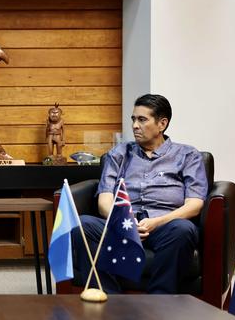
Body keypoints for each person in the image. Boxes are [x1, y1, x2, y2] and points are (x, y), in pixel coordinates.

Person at [73, 94, 208, 294]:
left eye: (142, 120)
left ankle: (159, 300)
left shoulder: (187, 156)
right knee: (83, 225)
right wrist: (124, 223)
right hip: (122, 224)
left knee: (183, 229)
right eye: (133, 119)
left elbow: (195, 204)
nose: (135, 125)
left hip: (165, 226)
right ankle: (110, 300)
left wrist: (157, 222)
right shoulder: (119, 154)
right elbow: (104, 201)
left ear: (162, 124)